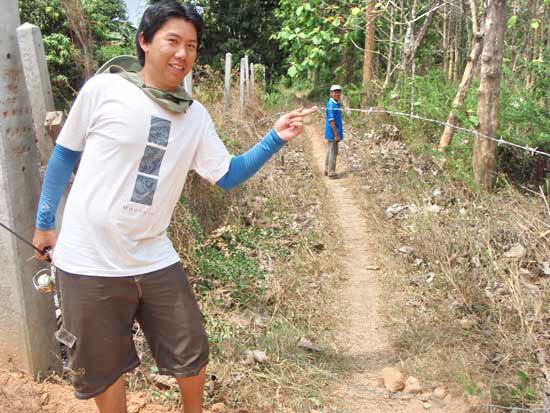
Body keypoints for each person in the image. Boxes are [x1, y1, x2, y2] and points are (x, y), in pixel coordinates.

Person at [31, 1, 315, 412]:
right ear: (145, 41)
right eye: (173, 41)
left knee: (190, 348)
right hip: (89, 260)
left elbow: (228, 175)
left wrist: (274, 137)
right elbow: (64, 156)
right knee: (102, 366)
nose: (183, 54)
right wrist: (44, 224)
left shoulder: (195, 116)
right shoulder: (104, 90)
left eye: (192, 46)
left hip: (152, 253)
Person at [324, 84, 344, 178]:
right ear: (331, 93)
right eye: (335, 92)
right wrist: (336, 134)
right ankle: (331, 172)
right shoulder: (331, 104)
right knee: (333, 151)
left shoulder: (336, 103)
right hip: (333, 132)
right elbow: (331, 121)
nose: (337, 94)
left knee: (330, 150)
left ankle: (327, 169)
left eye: (338, 92)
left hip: (334, 131)